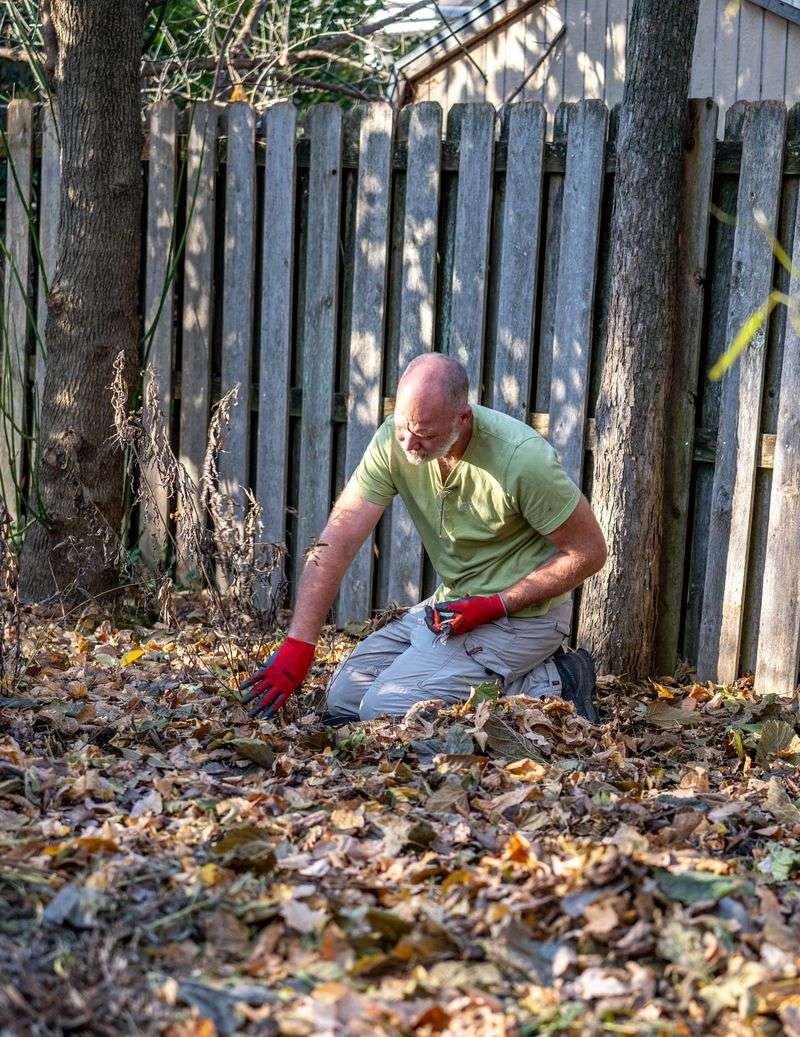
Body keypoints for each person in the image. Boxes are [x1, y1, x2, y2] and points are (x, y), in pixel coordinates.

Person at [240, 354, 607, 723]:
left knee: (385, 710)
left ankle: (554, 681)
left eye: (426, 434)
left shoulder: (521, 459)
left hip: (526, 617)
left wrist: (494, 605)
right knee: (344, 701)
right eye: (403, 427)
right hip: (453, 606)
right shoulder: (393, 441)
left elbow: (589, 553)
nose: (410, 444)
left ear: (462, 418)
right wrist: (299, 645)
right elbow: (338, 537)